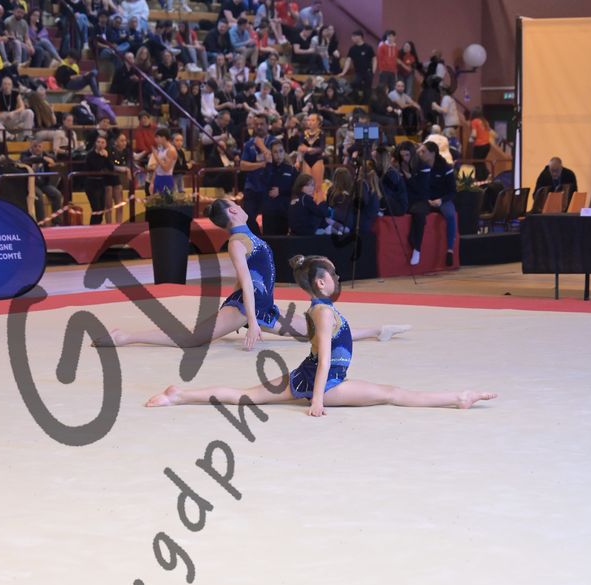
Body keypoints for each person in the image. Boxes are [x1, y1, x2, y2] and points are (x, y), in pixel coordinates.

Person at [145, 254, 493, 413]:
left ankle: (180, 395)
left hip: (310, 376)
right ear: (322, 283)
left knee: (246, 395)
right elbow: (324, 359)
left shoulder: (319, 308)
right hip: (326, 383)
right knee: (392, 393)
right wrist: (317, 401)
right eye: (334, 275)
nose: (337, 278)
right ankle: (457, 397)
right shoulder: (323, 312)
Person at [98, 199, 408, 351]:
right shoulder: (236, 242)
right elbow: (246, 283)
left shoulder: (248, 237)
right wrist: (250, 320)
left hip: (260, 307)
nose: (240, 205)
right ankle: (125, 337)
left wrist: (256, 315)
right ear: (232, 212)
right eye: (235, 204)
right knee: (193, 339)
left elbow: (249, 278)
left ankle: (377, 331)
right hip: (246, 308)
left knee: (312, 332)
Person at [407, 140, 457, 266]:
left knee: (450, 215)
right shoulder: (419, 167)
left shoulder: (446, 168)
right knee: (417, 213)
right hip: (426, 199)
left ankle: (450, 250)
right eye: (419, 151)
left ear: (433, 153)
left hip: (442, 199)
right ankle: (416, 247)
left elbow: (452, 191)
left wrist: (441, 200)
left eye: (423, 152)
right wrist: (426, 199)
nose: (420, 154)